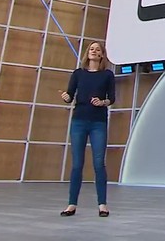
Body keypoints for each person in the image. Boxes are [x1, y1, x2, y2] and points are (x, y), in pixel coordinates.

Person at [60, 41, 116, 217]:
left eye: (97, 49)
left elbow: (111, 98)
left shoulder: (107, 75)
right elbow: (70, 96)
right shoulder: (78, 74)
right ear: (88, 53)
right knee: (77, 164)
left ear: (102, 55)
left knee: (99, 163)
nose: (94, 51)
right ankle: (71, 204)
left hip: (98, 122)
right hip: (79, 121)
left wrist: (103, 102)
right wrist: (66, 97)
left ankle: (102, 205)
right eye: (91, 49)